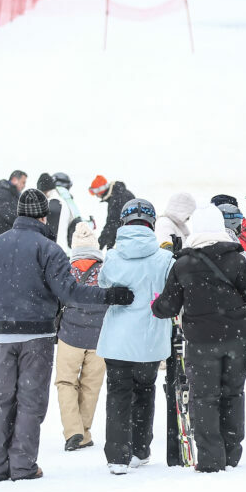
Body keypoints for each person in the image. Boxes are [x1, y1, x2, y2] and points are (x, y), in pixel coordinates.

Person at [0, 188, 135, 482]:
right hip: (37, 335)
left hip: (3, 334)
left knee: (2, 399)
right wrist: (109, 295)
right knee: (30, 400)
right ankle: (22, 465)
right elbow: (70, 292)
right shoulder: (48, 249)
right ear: (43, 217)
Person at [152, 204, 246, 473]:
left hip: (201, 342)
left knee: (204, 398)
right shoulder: (236, 259)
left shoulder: (183, 264)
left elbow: (168, 306)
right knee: (233, 394)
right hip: (237, 339)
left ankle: (211, 458)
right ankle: (232, 452)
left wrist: (155, 305)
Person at [95, 199, 175, 475]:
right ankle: (140, 450)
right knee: (145, 391)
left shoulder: (113, 257)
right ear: (152, 223)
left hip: (118, 341)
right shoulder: (165, 259)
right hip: (150, 341)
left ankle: (118, 456)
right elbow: (172, 292)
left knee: (118, 394)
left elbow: (103, 284)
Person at [55, 223, 109, 451]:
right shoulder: (106, 271)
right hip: (99, 337)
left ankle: (73, 431)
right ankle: (84, 433)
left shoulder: (65, 271)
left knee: (66, 382)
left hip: (70, 336)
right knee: (90, 386)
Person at [89, 175, 136, 251]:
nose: (96, 196)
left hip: (130, 239)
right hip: (135, 235)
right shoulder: (121, 193)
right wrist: (110, 245)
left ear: (100, 191)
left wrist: (97, 247)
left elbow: (112, 225)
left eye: (95, 193)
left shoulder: (116, 199)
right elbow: (116, 223)